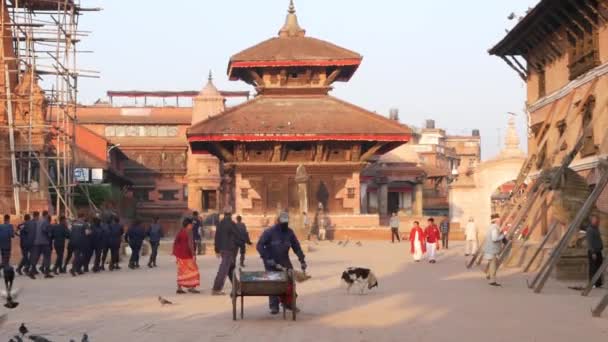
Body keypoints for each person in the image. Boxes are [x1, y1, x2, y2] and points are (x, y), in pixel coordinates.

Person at [257, 211, 307, 315]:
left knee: (290, 280)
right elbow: (260, 245)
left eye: (286, 222)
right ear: (278, 221)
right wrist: (266, 257)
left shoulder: (290, 233)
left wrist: (302, 260)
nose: (285, 225)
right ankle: (274, 306)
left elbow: (296, 247)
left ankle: (288, 303)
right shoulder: (269, 232)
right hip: (271, 260)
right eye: (283, 222)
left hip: (284, 259)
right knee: (273, 282)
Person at [211, 208, 243, 295]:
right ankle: (216, 288)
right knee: (224, 269)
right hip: (229, 249)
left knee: (230, 268)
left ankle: (237, 286)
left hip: (222, 249)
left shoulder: (220, 224)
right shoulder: (232, 224)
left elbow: (217, 237)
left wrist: (217, 249)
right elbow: (238, 236)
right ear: (231, 214)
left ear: (224, 214)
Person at [172, 218, 201, 294]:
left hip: (180, 255)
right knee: (194, 270)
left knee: (181, 271)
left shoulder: (181, 231)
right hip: (187, 255)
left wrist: (175, 252)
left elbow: (176, 242)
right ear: (188, 225)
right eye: (191, 224)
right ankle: (191, 287)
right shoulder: (189, 232)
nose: (192, 226)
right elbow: (190, 244)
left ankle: (179, 288)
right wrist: (193, 255)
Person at [29, 211, 53, 279]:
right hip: (44, 242)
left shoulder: (38, 221)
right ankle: (47, 273)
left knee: (36, 257)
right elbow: (45, 230)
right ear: (46, 215)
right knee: (47, 257)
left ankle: (31, 272)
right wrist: (49, 234)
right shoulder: (45, 221)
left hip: (37, 242)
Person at [484, 214, 505, 287]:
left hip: (490, 249)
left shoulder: (490, 227)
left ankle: (489, 274)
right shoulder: (494, 228)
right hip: (492, 250)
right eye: (499, 220)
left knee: (493, 263)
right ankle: (492, 281)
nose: (500, 221)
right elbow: (494, 238)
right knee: (493, 265)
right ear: (496, 221)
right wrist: (502, 236)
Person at [586, 214, 604, 288]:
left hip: (598, 251)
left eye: (597, 220)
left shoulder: (596, 228)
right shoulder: (590, 230)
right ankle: (593, 282)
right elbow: (590, 242)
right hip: (593, 252)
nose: (597, 221)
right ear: (592, 221)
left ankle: (598, 282)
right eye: (595, 220)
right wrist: (593, 252)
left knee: (599, 267)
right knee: (593, 267)